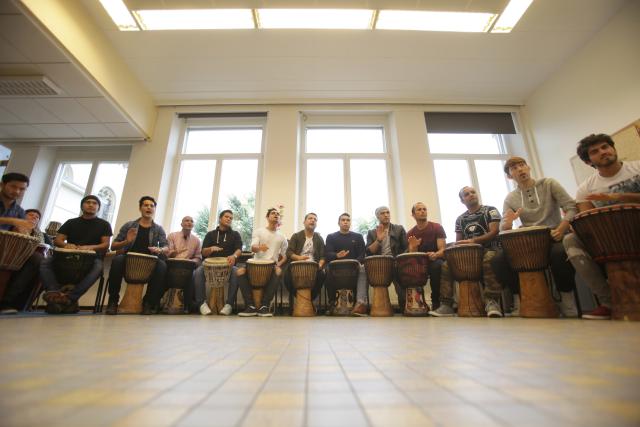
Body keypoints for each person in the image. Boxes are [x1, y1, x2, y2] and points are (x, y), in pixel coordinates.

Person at [564, 133, 640, 320]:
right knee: (571, 240)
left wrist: (620, 198)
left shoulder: (637, 168)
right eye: (595, 151)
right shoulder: (586, 188)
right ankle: (609, 301)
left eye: (605, 147)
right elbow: (586, 219)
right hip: (611, 239)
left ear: (613, 148)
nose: (603, 152)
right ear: (589, 161)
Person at [493, 156, 578, 317]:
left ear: (528, 167)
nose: (520, 169)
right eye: (514, 168)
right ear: (510, 176)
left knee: (560, 254)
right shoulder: (511, 198)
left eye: (522, 165)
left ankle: (566, 299)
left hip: (553, 234)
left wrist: (561, 228)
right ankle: (519, 299)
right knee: (498, 260)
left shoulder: (549, 184)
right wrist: (508, 223)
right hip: (527, 241)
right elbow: (503, 227)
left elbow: (571, 207)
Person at [429, 187, 503, 317]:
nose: (471, 195)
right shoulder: (460, 219)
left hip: (491, 249)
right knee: (446, 265)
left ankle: (492, 301)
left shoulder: (490, 210)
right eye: (467, 194)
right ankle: (446, 304)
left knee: (488, 260)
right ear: (462, 200)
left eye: (473, 192)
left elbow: (494, 232)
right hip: (470, 254)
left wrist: (473, 241)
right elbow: (459, 241)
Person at [40, 195, 112, 314]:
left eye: (94, 203)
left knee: (98, 268)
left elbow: (105, 245)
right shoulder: (71, 222)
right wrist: (66, 245)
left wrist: (90, 247)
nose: (91, 205)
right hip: (67, 256)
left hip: (92, 258)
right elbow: (58, 240)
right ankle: (55, 293)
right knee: (45, 262)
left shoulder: (104, 224)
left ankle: (70, 297)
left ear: (98, 207)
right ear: (82, 205)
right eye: (88, 202)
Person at [105, 196, 169, 315]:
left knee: (162, 266)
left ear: (154, 209)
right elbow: (113, 246)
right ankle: (113, 301)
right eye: (146, 205)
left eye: (152, 206)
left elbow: (166, 247)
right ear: (140, 208)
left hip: (149, 260)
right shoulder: (129, 225)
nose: (149, 207)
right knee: (117, 261)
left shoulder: (158, 229)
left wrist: (159, 250)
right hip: (128, 258)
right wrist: (127, 242)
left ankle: (148, 303)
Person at [237, 208, 287, 317]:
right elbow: (253, 248)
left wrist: (278, 264)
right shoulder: (259, 231)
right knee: (240, 271)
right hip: (255, 263)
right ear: (267, 217)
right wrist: (260, 247)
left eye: (278, 214)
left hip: (271, 265)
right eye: (273, 213)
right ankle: (250, 306)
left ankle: (265, 305)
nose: (276, 215)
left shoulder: (282, 236)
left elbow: (284, 256)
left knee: (278, 271)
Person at [0, 172, 38, 314]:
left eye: (22, 189)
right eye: (13, 187)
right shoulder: (17, 215)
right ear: (2, 185)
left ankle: (7, 302)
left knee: (36, 259)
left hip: (5, 250)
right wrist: (11, 221)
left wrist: (24, 232)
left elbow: (21, 230)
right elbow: (14, 223)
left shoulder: (19, 211)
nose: (17, 191)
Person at [194, 210, 243, 316]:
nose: (229, 219)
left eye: (231, 218)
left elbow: (239, 249)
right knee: (198, 272)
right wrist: (211, 249)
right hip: (209, 267)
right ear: (220, 219)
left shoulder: (235, 234)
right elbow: (203, 252)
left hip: (228, 266)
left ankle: (229, 305)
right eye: (226, 217)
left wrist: (234, 256)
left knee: (236, 272)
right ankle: (202, 304)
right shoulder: (210, 234)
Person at [404, 202, 445, 311]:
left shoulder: (437, 227)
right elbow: (412, 256)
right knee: (409, 268)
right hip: (419, 263)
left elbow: (443, 249)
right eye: (419, 209)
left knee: (437, 266)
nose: (423, 211)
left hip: (435, 260)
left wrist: (435, 254)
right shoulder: (410, 233)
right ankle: (417, 303)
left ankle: (436, 301)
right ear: (413, 215)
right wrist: (414, 247)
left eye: (424, 209)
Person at [324, 213, 367, 316]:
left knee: (363, 269)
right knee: (327, 269)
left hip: (354, 268)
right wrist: (337, 255)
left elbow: (362, 254)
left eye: (348, 220)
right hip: (336, 269)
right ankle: (332, 303)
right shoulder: (331, 237)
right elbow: (328, 254)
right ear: (338, 223)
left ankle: (360, 304)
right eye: (343, 220)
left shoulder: (358, 237)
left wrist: (355, 263)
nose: (345, 222)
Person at [366, 206, 408, 310]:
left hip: (396, 262)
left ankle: (404, 306)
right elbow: (369, 251)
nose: (386, 215)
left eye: (388, 212)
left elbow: (406, 248)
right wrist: (378, 240)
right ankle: (380, 307)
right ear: (377, 217)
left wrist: (398, 260)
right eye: (382, 213)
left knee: (400, 282)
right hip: (379, 264)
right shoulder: (372, 232)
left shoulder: (399, 229)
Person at [285, 213, 326, 314]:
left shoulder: (319, 238)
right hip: (297, 265)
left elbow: (323, 256)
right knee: (286, 276)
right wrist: (298, 258)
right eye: (310, 218)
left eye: (315, 219)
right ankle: (303, 299)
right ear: (304, 222)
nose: (313, 220)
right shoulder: (296, 236)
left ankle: (308, 300)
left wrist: (320, 264)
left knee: (322, 275)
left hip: (313, 267)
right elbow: (289, 252)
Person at [166, 215, 202, 313]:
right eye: (186, 220)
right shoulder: (172, 236)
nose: (189, 222)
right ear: (181, 224)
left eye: (191, 221)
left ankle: (187, 306)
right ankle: (155, 303)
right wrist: (176, 252)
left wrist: (193, 261)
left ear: (193, 225)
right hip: (173, 265)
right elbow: (169, 253)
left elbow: (198, 257)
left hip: (187, 267)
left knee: (193, 275)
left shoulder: (197, 240)